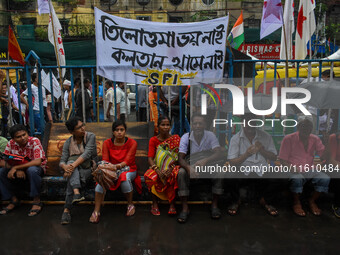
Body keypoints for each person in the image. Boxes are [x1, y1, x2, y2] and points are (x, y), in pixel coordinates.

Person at [227, 113, 281, 216]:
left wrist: (262, 150)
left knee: (278, 176)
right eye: (247, 122)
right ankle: (236, 201)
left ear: (256, 123)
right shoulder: (236, 138)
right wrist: (246, 155)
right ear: (243, 123)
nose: (250, 125)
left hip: (262, 169)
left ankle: (265, 200)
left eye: (253, 122)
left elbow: (274, 157)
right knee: (230, 175)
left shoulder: (265, 136)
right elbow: (232, 162)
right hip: (243, 170)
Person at [89, 120, 142, 223]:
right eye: (116, 130)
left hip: (128, 168)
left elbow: (127, 161)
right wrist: (109, 169)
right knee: (100, 181)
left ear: (125, 131)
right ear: (113, 132)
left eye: (121, 130)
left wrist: (115, 167)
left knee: (124, 178)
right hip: (110, 169)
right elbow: (105, 160)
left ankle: (130, 204)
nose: (119, 132)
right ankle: (96, 211)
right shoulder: (107, 143)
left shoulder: (132, 143)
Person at [177, 114, 225, 223]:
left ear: (205, 125)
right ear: (192, 125)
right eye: (195, 123)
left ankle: (214, 205)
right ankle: (185, 208)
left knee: (220, 172)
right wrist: (189, 168)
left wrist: (206, 161)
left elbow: (218, 154)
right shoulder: (186, 136)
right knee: (181, 172)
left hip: (207, 166)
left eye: (200, 123)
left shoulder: (210, 135)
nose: (198, 126)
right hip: (192, 166)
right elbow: (180, 158)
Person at [279, 117, 330, 216]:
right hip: (292, 169)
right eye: (303, 127)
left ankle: (312, 201)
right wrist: (290, 167)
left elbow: (323, 155)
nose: (306, 130)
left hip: (309, 169)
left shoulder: (315, 139)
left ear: (311, 129)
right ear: (298, 128)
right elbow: (282, 160)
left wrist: (327, 143)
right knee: (297, 179)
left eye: (308, 128)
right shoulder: (289, 139)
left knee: (325, 178)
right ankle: (296, 202)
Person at [0, 124, 47, 216]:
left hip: (36, 169)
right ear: (13, 138)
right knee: (1, 172)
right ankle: (13, 200)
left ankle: (36, 201)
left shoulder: (34, 141)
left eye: (24, 135)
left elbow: (37, 162)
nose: (22, 138)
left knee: (32, 170)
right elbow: (2, 162)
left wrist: (17, 168)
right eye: (18, 137)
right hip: (18, 169)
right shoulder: (11, 143)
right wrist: (15, 169)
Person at [59, 117, 97, 225]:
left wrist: (70, 166)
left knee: (71, 170)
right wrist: (64, 167)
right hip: (76, 172)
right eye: (79, 128)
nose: (83, 128)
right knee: (73, 172)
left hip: (89, 168)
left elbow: (87, 154)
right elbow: (62, 160)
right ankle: (76, 193)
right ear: (72, 132)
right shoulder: (68, 142)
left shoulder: (90, 136)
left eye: (83, 125)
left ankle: (67, 209)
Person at [144, 115, 180, 216]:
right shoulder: (154, 140)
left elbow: (178, 159)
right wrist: (158, 171)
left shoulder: (175, 139)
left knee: (175, 174)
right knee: (149, 176)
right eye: (163, 125)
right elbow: (150, 158)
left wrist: (170, 169)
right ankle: (154, 203)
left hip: (171, 168)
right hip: (157, 168)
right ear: (158, 126)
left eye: (168, 125)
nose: (165, 127)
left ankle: (172, 204)